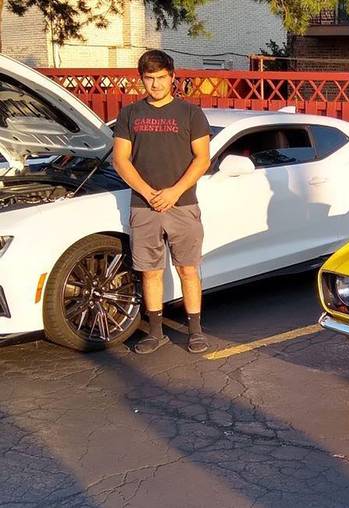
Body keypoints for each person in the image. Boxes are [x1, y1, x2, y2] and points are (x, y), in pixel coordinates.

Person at [113, 50, 211, 354]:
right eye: (149, 78)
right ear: (141, 79)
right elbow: (120, 160)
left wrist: (173, 192)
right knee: (150, 271)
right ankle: (156, 332)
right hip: (144, 207)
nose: (155, 84)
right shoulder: (130, 114)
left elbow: (202, 159)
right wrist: (147, 191)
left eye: (160, 78)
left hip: (182, 205)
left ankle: (195, 330)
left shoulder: (191, 114)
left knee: (188, 269)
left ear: (172, 77)